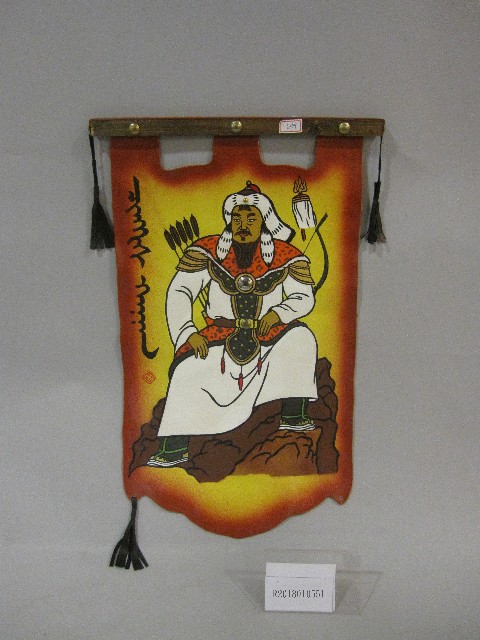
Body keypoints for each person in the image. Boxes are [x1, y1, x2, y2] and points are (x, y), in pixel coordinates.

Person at [147, 181, 319, 467]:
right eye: (237, 218)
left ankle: (293, 414)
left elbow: (304, 297)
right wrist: (187, 332)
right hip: (219, 334)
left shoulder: (285, 256)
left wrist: (279, 313)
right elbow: (180, 291)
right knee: (187, 369)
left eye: (251, 218)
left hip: (268, 334)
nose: (243, 225)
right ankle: (174, 447)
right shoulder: (208, 252)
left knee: (301, 338)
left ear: (265, 221)